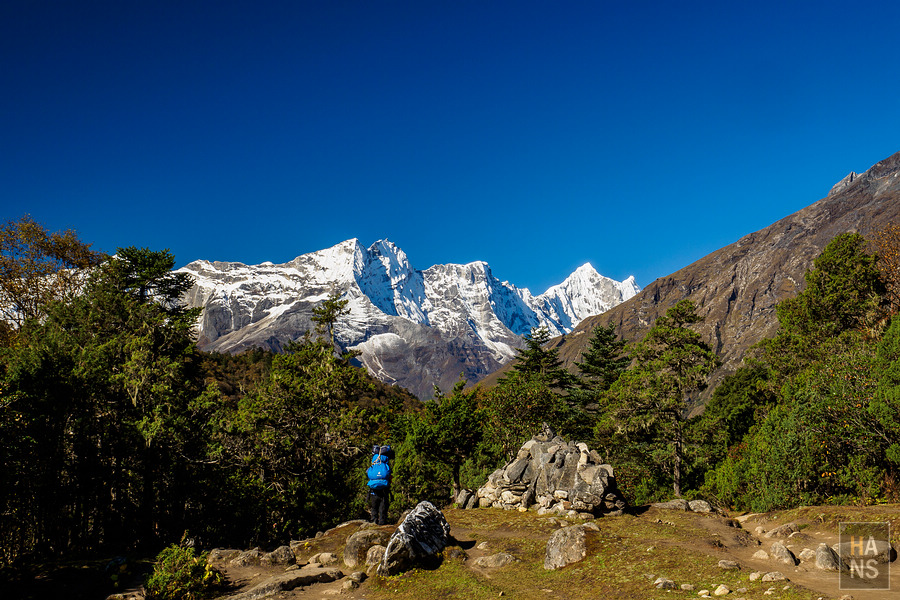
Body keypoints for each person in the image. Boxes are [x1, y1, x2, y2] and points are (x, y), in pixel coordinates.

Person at [366, 444, 393, 525]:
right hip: (384, 491)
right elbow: (390, 476)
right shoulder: (386, 466)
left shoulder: (373, 464)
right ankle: (382, 523)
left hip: (374, 491)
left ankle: (373, 521)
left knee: (374, 508)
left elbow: (368, 473)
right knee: (383, 509)